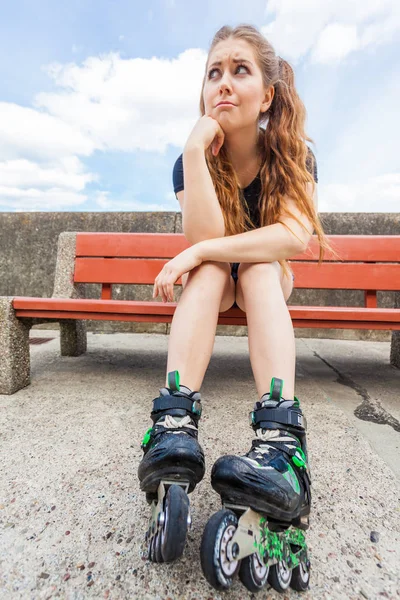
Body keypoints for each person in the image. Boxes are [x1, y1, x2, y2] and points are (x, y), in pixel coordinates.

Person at [138, 24, 328, 580]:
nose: (223, 83)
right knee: (214, 270)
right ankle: (174, 419)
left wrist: (201, 252)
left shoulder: (291, 156)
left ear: (267, 95)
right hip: (217, 286)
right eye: (213, 72)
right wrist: (196, 151)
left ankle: (281, 440)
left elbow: (292, 237)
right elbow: (204, 238)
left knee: (260, 270)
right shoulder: (190, 160)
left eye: (239, 70)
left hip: (269, 279)